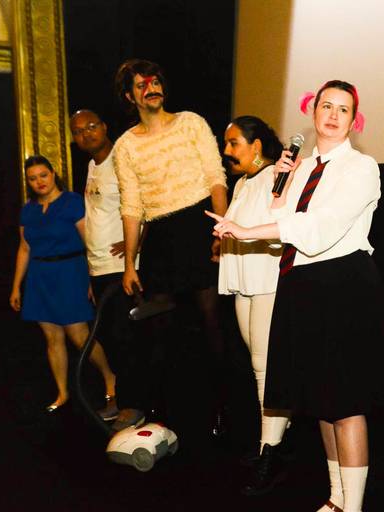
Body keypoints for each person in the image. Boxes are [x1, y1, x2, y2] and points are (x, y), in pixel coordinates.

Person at [209, 80, 384, 512]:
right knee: (321, 404)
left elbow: (319, 229)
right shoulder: (301, 167)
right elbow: (282, 225)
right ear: (312, 112)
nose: (333, 115)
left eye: (343, 109)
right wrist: (282, 184)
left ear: (354, 120)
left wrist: (248, 231)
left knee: (346, 405)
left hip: (343, 285)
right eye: (326, 106)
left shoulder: (361, 167)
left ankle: (353, 506)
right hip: (301, 283)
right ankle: (336, 498)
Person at [112, 59, 228, 433]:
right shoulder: (125, 145)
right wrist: (129, 264)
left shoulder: (191, 122)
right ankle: (162, 415)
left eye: (156, 81)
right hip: (161, 238)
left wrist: (221, 230)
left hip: (200, 225)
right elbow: (132, 207)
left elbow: (216, 178)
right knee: (157, 330)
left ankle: (223, 409)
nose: (152, 88)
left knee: (212, 323)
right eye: (142, 85)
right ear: (130, 96)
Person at [10, 155, 116, 413]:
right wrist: (15, 286)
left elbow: (89, 241)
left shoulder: (72, 202)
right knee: (52, 337)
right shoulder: (28, 209)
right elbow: (24, 248)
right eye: (32, 178)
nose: (39, 182)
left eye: (43, 175)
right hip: (39, 276)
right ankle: (62, 392)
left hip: (70, 272)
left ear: (53, 173)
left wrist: (91, 277)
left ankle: (109, 377)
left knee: (79, 336)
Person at [217, 115, 289, 495]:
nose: (227, 151)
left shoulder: (276, 176)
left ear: (256, 145)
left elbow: (281, 227)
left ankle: (270, 452)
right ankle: (273, 442)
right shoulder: (242, 183)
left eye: (234, 143)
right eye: (226, 144)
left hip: (265, 278)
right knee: (258, 363)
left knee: (265, 367)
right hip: (244, 280)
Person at [70, 109, 144, 429]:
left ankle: (134, 405)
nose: (86, 134)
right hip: (99, 267)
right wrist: (91, 270)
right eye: (78, 131)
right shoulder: (92, 166)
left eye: (91, 126)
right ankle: (121, 399)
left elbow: (145, 205)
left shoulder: (121, 160)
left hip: (121, 268)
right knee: (110, 339)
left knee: (125, 339)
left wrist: (135, 246)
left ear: (104, 126)